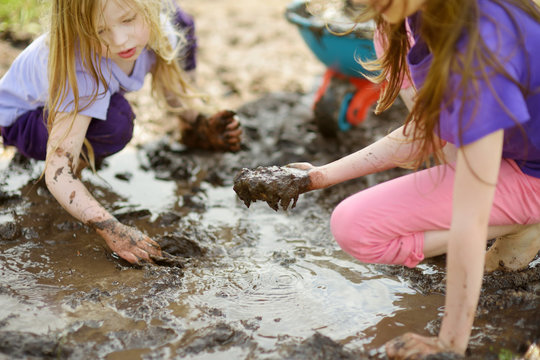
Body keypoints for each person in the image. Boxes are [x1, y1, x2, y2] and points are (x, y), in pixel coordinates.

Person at [286, 0, 540, 358]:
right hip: (511, 149)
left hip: (532, 171)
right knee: (354, 225)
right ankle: (512, 215)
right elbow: (427, 133)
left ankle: (522, 224)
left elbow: (471, 217)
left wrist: (449, 343)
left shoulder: (479, 48)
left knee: (369, 227)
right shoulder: (404, 21)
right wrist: (318, 177)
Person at [0, 0, 242, 265]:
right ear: (79, 30)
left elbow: (172, 89)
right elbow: (58, 172)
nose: (119, 40)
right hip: (21, 119)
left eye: (128, 20)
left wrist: (199, 123)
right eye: (99, 31)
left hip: (61, 104)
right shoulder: (82, 68)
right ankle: (73, 186)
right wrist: (112, 228)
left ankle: (83, 165)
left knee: (180, 22)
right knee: (115, 121)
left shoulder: (158, 30)